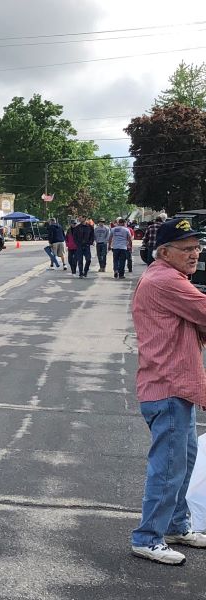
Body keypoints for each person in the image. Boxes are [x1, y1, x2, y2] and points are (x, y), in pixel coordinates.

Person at [130, 218, 206, 565]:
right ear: (165, 252)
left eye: (197, 247)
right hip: (169, 386)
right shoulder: (166, 280)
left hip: (174, 386)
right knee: (169, 468)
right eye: (187, 248)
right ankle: (148, 537)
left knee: (184, 461)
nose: (195, 254)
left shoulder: (168, 277)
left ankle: (176, 525)